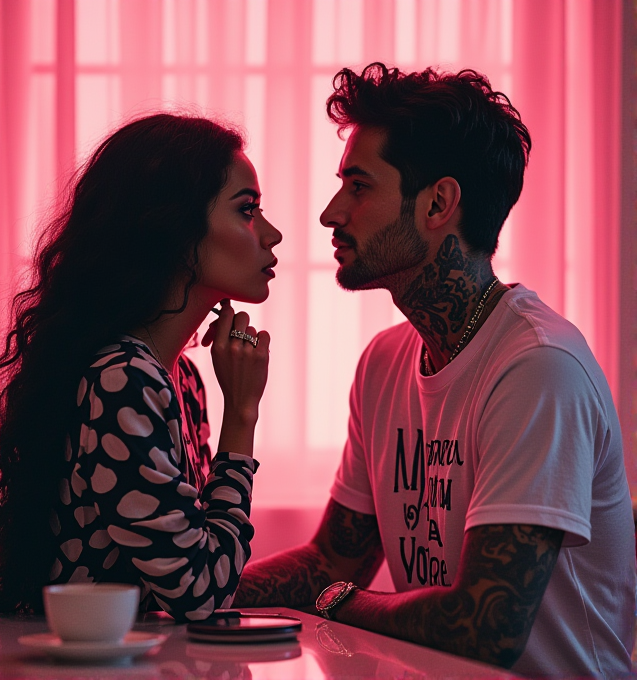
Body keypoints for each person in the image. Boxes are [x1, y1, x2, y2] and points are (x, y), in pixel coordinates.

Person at [233, 64, 635, 677]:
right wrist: (194, 593)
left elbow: (483, 626)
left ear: (438, 204)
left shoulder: (538, 368)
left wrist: (338, 602)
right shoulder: (383, 363)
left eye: (359, 186)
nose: (330, 214)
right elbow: (332, 562)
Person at [0, 113, 282, 621]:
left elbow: (181, 575)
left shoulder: (180, 379)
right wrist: (242, 413)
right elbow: (199, 593)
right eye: (248, 211)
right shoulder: (123, 379)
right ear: (176, 232)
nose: (273, 234)